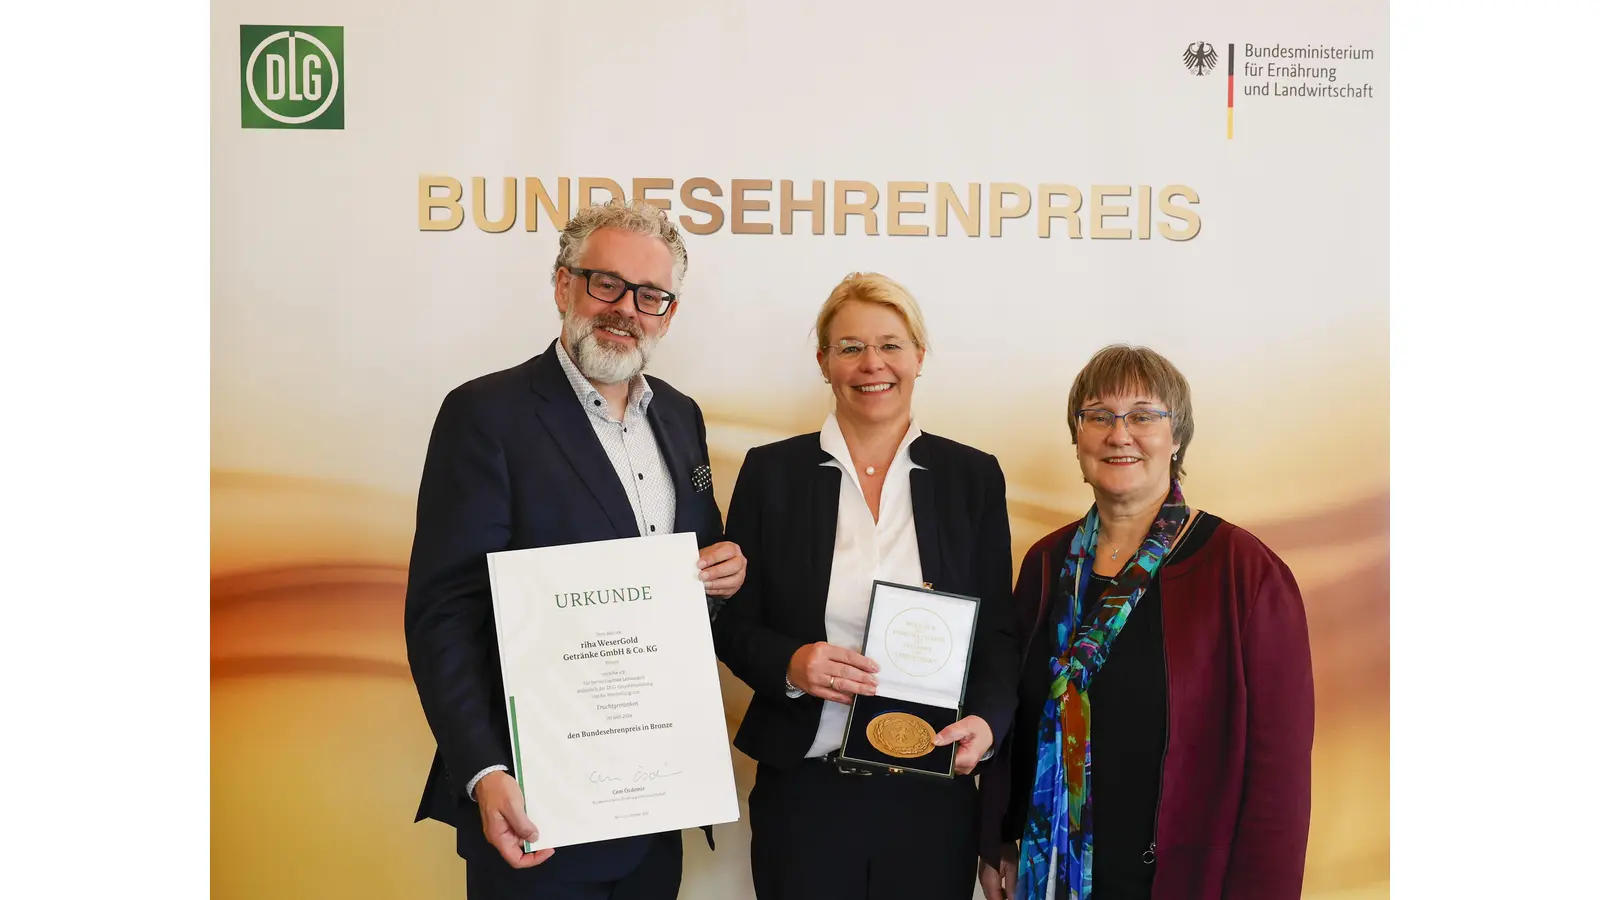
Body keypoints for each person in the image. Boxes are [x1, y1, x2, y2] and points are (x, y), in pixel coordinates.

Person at [404, 199, 748, 900]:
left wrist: (723, 570)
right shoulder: (485, 415)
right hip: (537, 806)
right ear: (564, 285)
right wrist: (484, 771)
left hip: (655, 803)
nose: (626, 308)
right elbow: (444, 612)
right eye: (606, 284)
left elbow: (693, 550)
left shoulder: (680, 417)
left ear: (669, 313)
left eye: (650, 295)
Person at [712, 272, 1019, 900]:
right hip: (806, 791)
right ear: (824, 362)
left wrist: (987, 723)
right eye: (849, 347)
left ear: (919, 357)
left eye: (890, 344)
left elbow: (999, 636)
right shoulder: (771, 475)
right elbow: (733, 625)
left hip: (933, 796)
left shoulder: (972, 478)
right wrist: (793, 664)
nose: (871, 364)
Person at [976, 344, 1314, 900]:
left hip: (1180, 880)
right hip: (1052, 872)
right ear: (1077, 437)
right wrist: (1000, 838)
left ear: (1176, 436)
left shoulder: (1243, 572)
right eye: (1098, 415)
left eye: (1143, 415)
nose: (1119, 433)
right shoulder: (1045, 563)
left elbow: (1279, 776)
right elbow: (1015, 714)